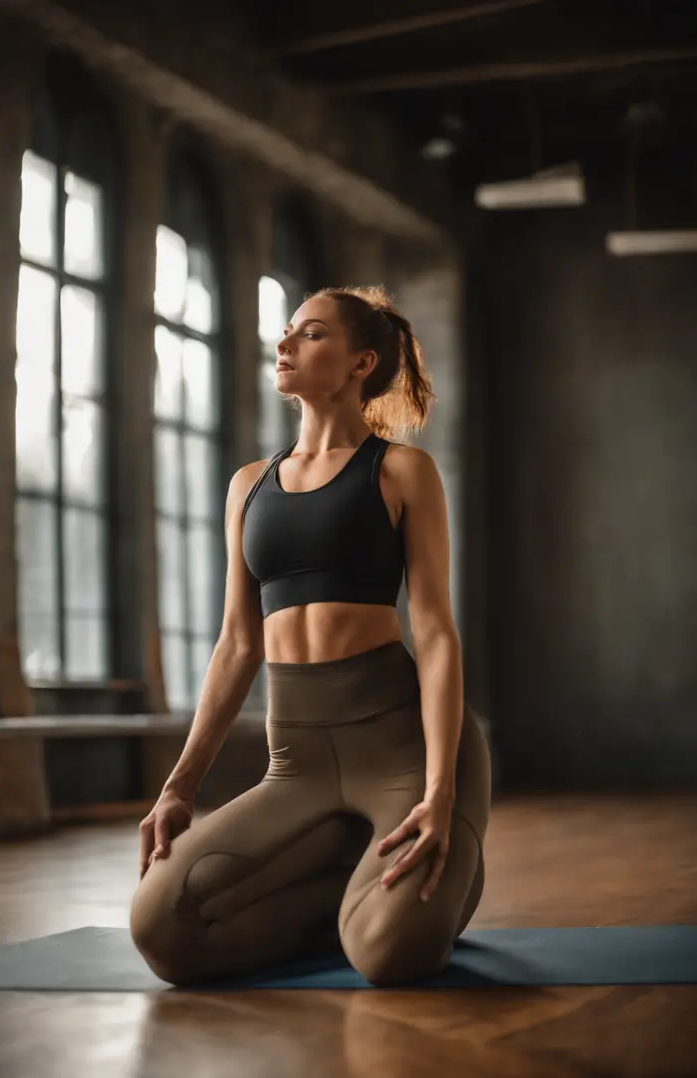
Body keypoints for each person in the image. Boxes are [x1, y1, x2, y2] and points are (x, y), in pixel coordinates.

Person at [130, 284, 491, 987]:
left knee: (390, 957)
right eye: (289, 332)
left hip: (399, 752)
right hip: (294, 761)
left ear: (360, 363)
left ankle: (439, 889)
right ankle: (353, 885)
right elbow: (238, 643)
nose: (284, 344)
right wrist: (178, 787)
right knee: (162, 933)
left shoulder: (400, 471)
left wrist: (440, 790)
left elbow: (438, 636)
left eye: (311, 333)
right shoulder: (249, 485)